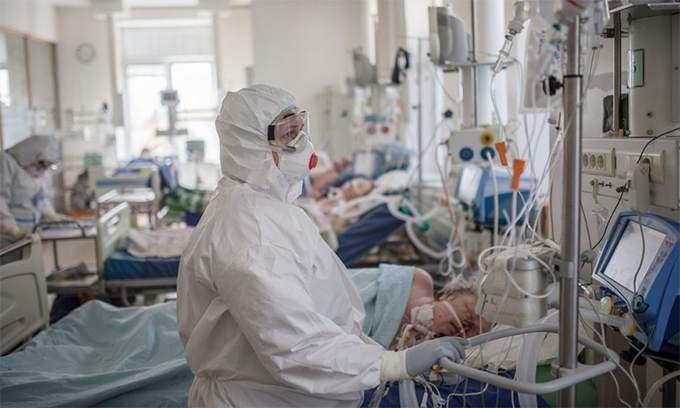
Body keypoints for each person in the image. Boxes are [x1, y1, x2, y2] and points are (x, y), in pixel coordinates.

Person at [177, 85, 467, 407]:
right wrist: (394, 364)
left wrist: (370, 351)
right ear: (250, 146)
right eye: (289, 134)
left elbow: (318, 313)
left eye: (301, 129)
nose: (303, 143)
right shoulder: (252, 233)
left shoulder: (271, 209)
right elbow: (293, 345)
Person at [1, 135, 64, 242]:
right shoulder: (5, 162)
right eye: (43, 164)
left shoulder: (32, 170)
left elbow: (40, 197)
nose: (43, 168)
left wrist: (51, 215)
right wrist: (13, 231)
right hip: (7, 236)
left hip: (30, 234)